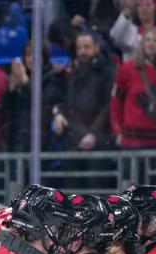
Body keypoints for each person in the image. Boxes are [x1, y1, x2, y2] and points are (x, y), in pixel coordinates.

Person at [51, 32, 116, 190]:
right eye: (79, 47)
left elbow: (108, 106)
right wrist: (58, 114)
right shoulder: (71, 72)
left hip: (99, 141)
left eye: (87, 47)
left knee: (96, 190)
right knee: (71, 190)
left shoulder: (107, 71)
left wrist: (93, 133)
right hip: (72, 138)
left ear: (96, 48)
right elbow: (63, 99)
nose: (82, 51)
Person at [0, 41, 64, 152]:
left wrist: (26, 82)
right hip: (18, 137)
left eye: (35, 55)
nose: (31, 59)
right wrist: (11, 88)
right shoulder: (20, 76)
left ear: (44, 57)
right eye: (28, 55)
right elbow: (6, 109)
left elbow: (43, 102)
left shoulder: (52, 77)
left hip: (42, 138)